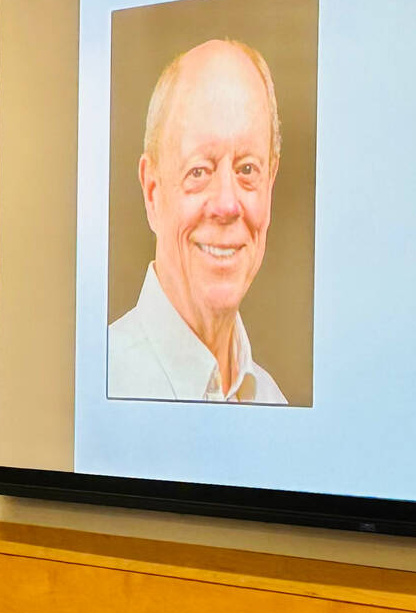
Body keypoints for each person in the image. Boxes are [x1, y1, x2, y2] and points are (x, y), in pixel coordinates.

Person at [108, 39, 288, 404]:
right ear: (153, 191)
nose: (226, 204)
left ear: (270, 184)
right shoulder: (100, 382)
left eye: (247, 169)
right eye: (199, 171)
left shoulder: (274, 402)